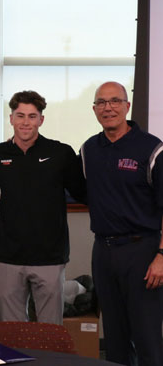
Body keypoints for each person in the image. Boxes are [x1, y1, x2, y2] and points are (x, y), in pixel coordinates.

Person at [0, 90, 85, 324]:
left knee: (50, 332)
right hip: (9, 257)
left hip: (50, 257)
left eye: (31, 116)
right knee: (13, 332)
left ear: (41, 119)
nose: (25, 122)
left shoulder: (61, 153)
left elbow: (84, 192)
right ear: (11, 119)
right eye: (20, 116)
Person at [80, 81, 163, 365]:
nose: (108, 108)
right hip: (103, 251)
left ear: (127, 106)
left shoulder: (152, 148)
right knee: (114, 337)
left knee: (147, 335)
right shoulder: (89, 149)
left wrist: (162, 256)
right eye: (101, 103)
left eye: (115, 101)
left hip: (143, 251)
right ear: (94, 109)